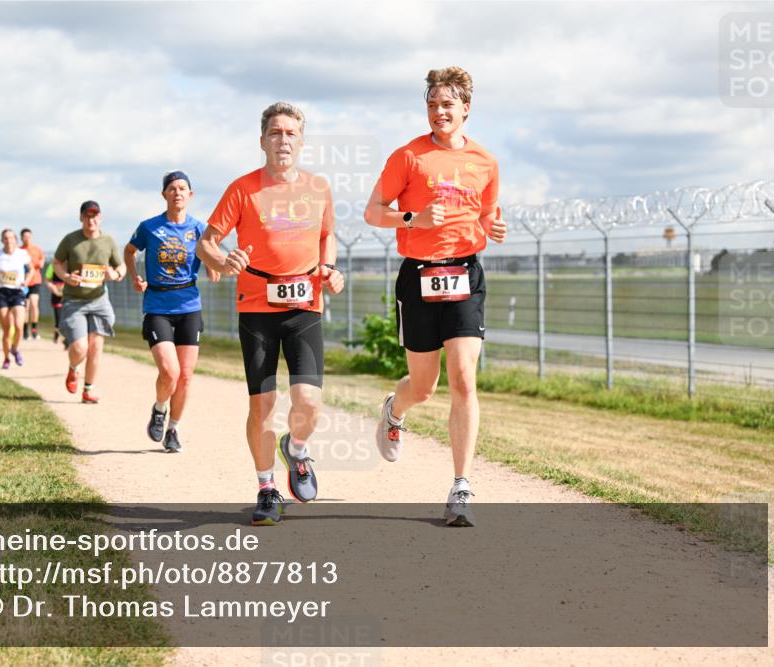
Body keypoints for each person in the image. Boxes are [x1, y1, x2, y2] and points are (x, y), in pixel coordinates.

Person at [364, 66, 507, 527]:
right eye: (432, 104)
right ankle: (395, 409)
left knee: (464, 378)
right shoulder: (408, 156)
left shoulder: (486, 161)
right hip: (419, 279)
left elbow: (486, 216)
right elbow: (373, 212)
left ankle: (460, 486)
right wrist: (412, 219)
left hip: (466, 275)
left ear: (466, 108)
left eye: (447, 104)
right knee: (423, 388)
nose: (439, 112)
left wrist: (493, 228)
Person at [197, 102, 345, 525]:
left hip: (304, 306)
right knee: (262, 404)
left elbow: (327, 234)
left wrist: (330, 269)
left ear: (302, 140)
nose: (283, 140)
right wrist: (224, 261)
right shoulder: (243, 188)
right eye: (275, 133)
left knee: (309, 403)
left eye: (291, 133)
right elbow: (207, 242)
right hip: (256, 308)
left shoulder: (318, 187)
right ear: (262, 141)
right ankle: (266, 488)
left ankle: (295, 449)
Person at [125, 170, 220, 453]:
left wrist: (214, 267)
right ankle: (159, 408)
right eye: (172, 188)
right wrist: (135, 277)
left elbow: (211, 254)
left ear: (190, 195)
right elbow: (130, 251)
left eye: (183, 188)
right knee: (170, 371)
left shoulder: (200, 228)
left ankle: (174, 429)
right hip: (157, 305)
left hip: (190, 306)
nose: (178, 193)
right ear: (164, 194)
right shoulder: (149, 227)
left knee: (186, 375)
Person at [53, 200, 125, 405]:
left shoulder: (108, 241)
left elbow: (121, 267)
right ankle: (74, 368)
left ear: (100, 217)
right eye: (87, 216)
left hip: (99, 300)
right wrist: (66, 277)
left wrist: (116, 274)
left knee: (96, 347)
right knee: (80, 348)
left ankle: (88, 389)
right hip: (74, 301)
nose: (91, 219)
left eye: (95, 215)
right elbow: (57, 263)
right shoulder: (71, 240)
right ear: (81, 218)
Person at [0, 229, 35, 369]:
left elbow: (32, 269)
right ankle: (6, 358)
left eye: (11, 238)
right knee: (7, 329)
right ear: (2, 240)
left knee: (19, 326)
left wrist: (27, 280)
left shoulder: (22, 254)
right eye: (5, 238)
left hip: (17, 291)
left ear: (15, 240)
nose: (9, 241)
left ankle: (14, 349)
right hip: (1, 292)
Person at [20, 228, 45, 340]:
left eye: (29, 237)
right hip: (23, 283)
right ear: (21, 238)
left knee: (34, 304)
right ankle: (25, 331)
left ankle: (34, 329)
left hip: (35, 281)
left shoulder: (37, 249)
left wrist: (31, 263)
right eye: (25, 237)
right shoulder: (18, 251)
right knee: (26, 307)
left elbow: (41, 264)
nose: (27, 239)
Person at [45, 263, 66, 348]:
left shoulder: (73, 264)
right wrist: (52, 288)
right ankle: (57, 335)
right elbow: (47, 280)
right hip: (56, 295)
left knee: (68, 319)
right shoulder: (52, 265)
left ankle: (66, 340)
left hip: (69, 296)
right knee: (59, 318)